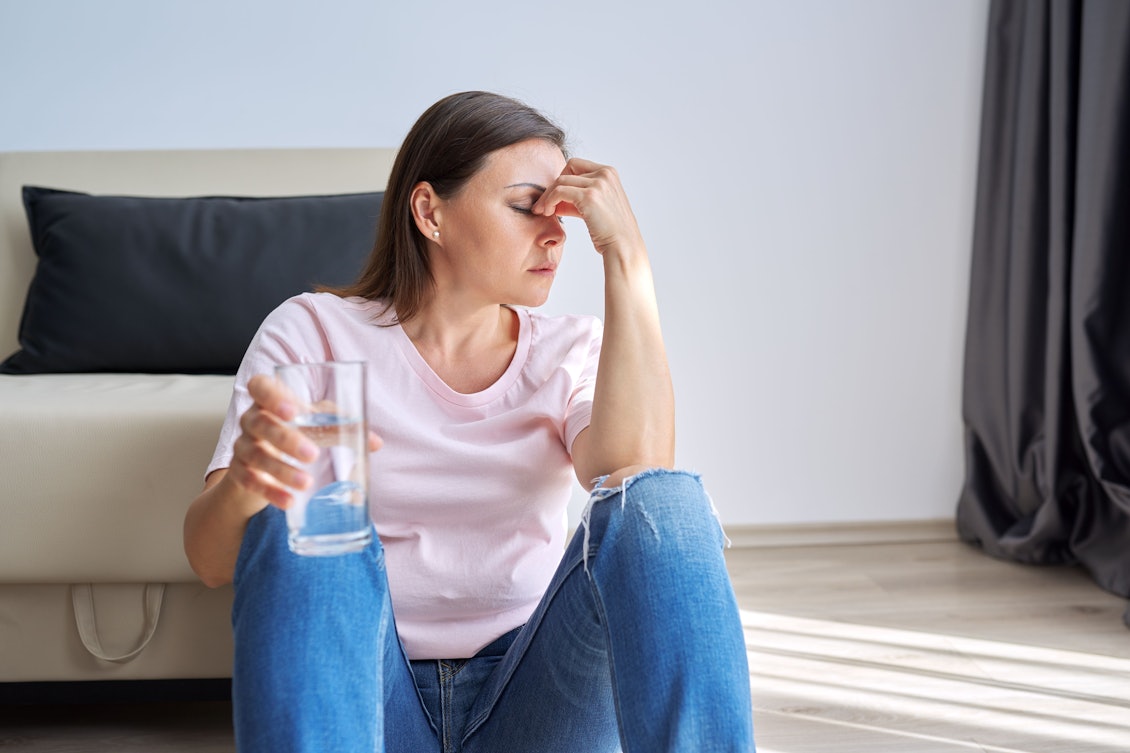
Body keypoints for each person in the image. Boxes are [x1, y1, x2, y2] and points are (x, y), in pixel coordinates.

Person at [183, 90, 755, 753]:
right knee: (294, 512)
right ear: (430, 211)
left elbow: (635, 479)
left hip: (537, 704)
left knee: (666, 500)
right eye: (524, 207)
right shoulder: (312, 331)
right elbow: (209, 559)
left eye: (563, 215)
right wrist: (248, 485)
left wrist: (626, 252)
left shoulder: (568, 348)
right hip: (370, 707)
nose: (554, 234)